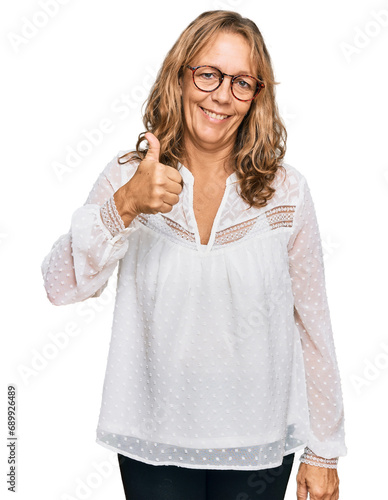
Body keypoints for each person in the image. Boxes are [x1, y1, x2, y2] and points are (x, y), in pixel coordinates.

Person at [41, 9, 347, 500]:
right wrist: (124, 206)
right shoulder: (129, 177)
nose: (222, 95)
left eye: (242, 82)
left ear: (257, 96)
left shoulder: (287, 192)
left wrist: (323, 450)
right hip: (153, 438)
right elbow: (60, 286)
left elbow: (314, 324)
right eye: (208, 74)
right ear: (180, 76)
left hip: (261, 441)